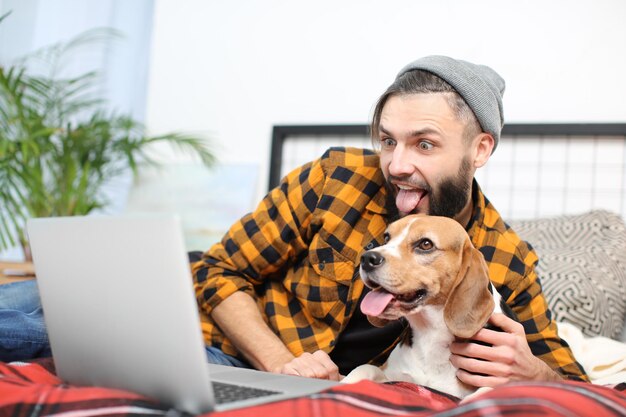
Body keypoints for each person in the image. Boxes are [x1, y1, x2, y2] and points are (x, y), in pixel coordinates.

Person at [192, 55, 589, 388]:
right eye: (387, 141)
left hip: (347, 393)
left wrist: (533, 373)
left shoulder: (506, 259)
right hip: (230, 357)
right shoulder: (335, 177)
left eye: (424, 144)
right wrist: (280, 363)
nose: (397, 165)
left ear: (479, 149)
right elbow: (216, 269)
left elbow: (578, 386)